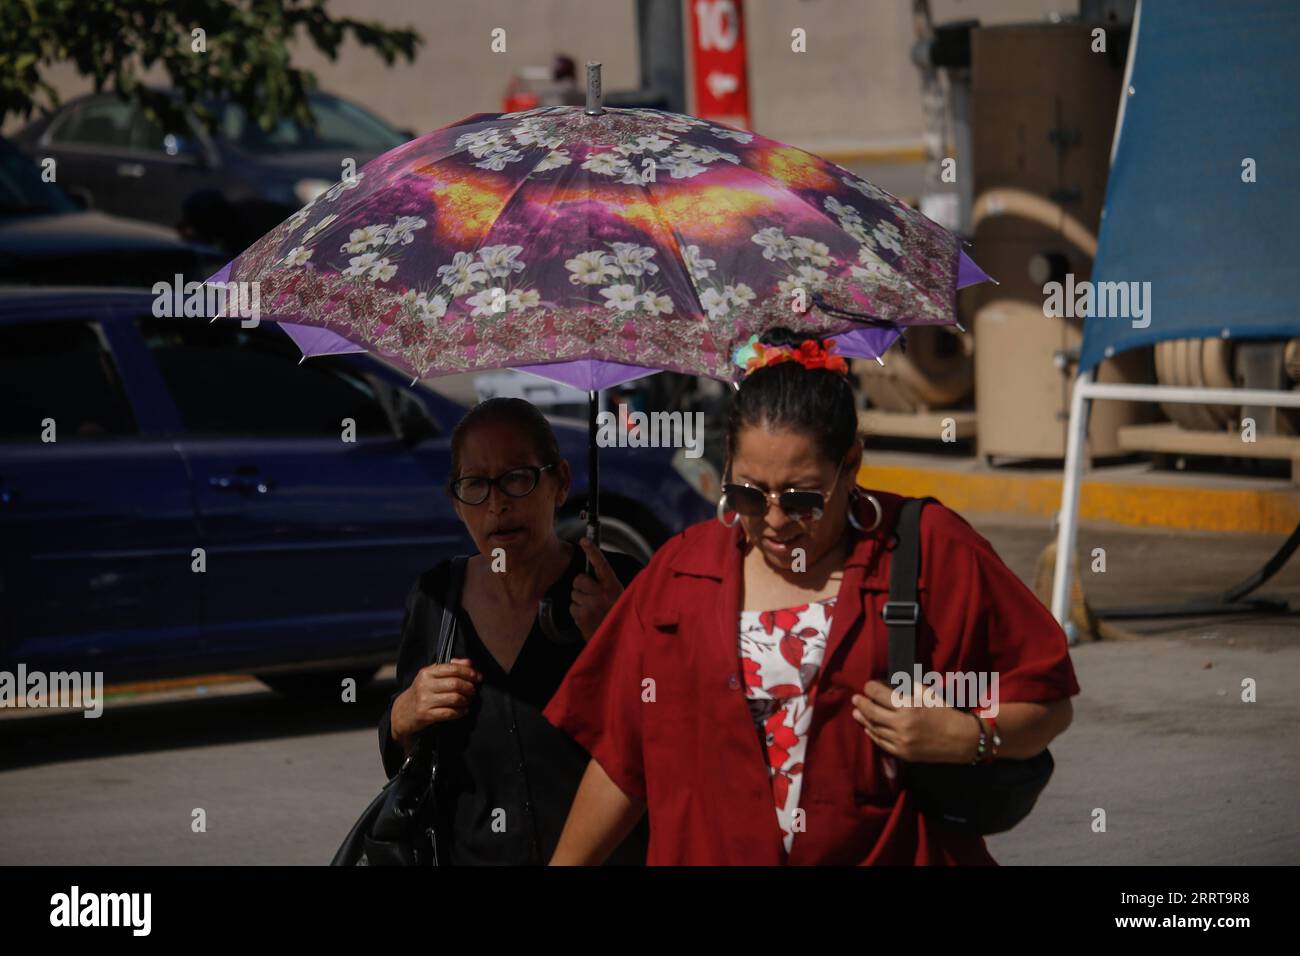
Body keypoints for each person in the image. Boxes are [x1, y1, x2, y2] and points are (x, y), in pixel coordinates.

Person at [544, 329, 1079, 865]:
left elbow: (1047, 700)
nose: (775, 521)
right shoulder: (679, 572)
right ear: (727, 459)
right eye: (749, 493)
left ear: (851, 463)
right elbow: (622, 760)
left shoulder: (931, 548)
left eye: (802, 498)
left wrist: (969, 738)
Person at [378, 397, 648, 865]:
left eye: (518, 479)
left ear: (560, 483)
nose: (498, 504)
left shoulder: (616, 586)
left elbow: (671, 730)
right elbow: (406, 754)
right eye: (476, 485)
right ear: (456, 501)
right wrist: (404, 714)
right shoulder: (436, 598)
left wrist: (618, 645)